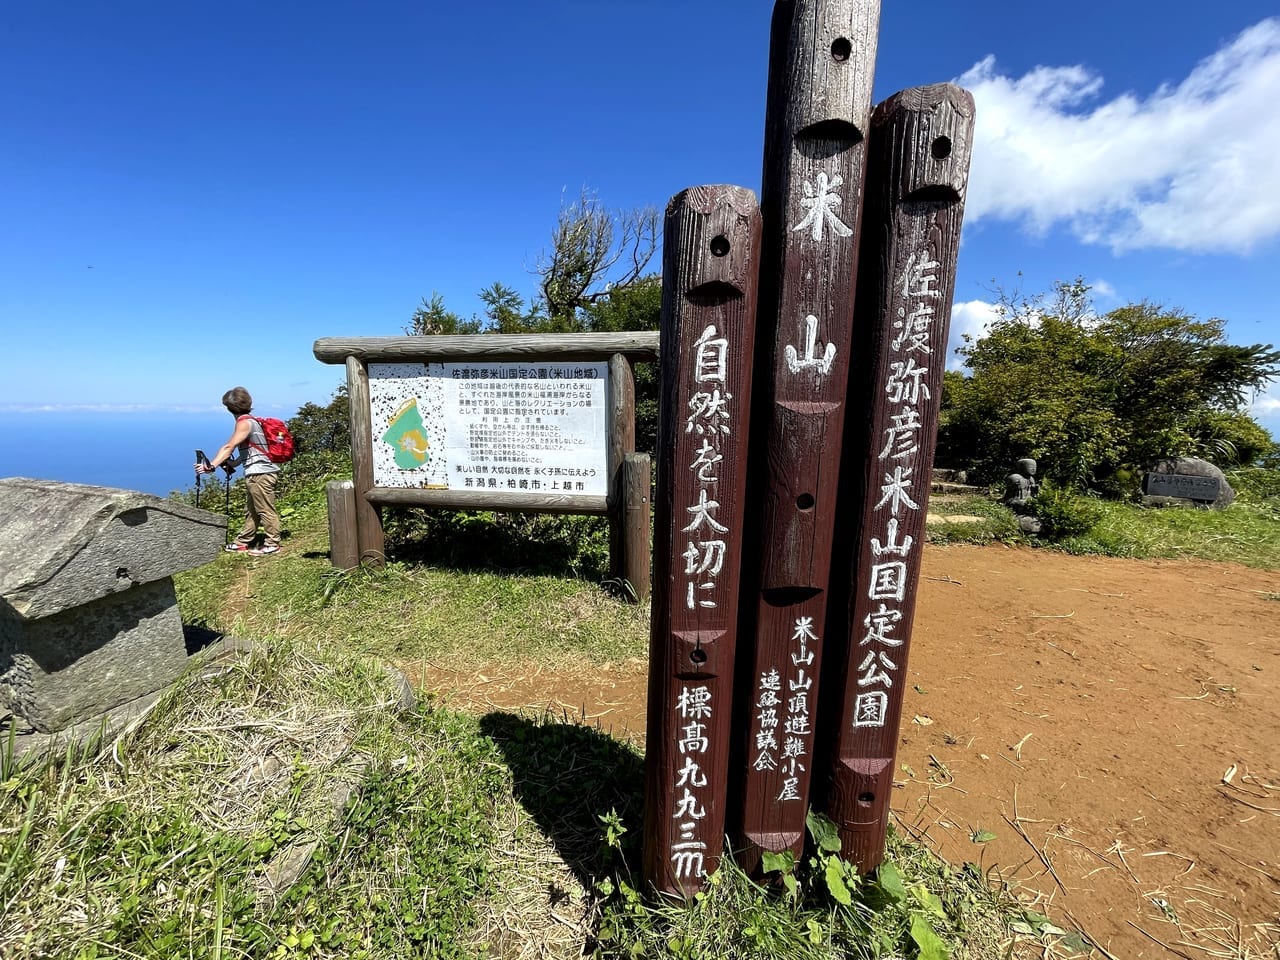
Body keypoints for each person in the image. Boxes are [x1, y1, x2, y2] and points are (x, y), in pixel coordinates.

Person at [196, 387, 282, 555]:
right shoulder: (253, 421)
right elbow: (251, 451)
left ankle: (273, 543)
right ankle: (242, 542)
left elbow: (229, 446)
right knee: (252, 509)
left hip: (260, 474)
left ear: (229, 408)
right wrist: (232, 464)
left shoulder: (244, 423)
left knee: (264, 508)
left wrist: (211, 466)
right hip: (259, 471)